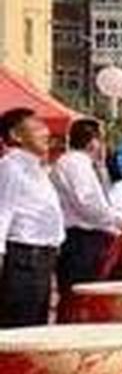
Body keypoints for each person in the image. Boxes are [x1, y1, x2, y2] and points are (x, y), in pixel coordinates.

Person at [50, 117, 122, 294]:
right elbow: (89, 205)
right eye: (102, 139)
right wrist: (118, 220)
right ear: (93, 142)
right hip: (81, 241)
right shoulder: (75, 164)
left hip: (87, 237)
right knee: (81, 296)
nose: (104, 145)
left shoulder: (81, 164)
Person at [0, 108, 63, 327]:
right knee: (20, 326)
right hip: (24, 256)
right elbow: (3, 212)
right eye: (36, 127)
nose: (46, 132)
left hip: (41, 256)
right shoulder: (11, 167)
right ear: (16, 135)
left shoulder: (35, 168)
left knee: (36, 325)